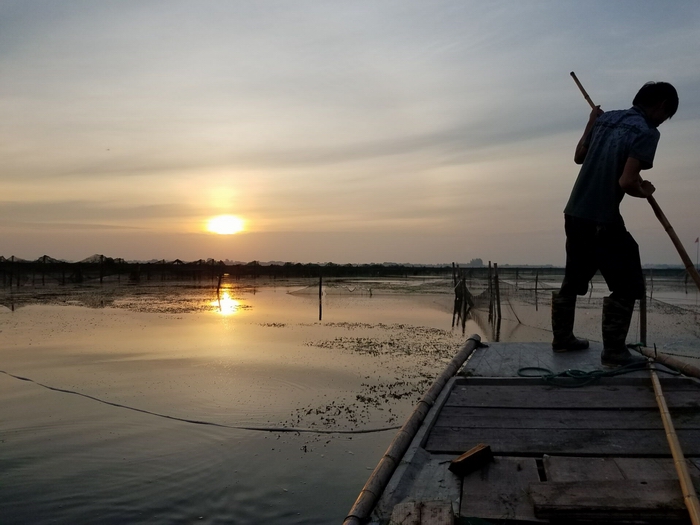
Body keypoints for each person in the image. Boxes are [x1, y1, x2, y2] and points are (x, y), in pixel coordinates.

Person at [552, 81, 679, 367]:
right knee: (628, 282)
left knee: (573, 279)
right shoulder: (647, 132)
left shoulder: (605, 119)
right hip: (602, 218)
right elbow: (627, 181)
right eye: (666, 114)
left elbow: (578, 157)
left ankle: (562, 340)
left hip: (574, 213)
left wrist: (591, 122)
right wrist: (644, 189)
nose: (663, 120)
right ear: (661, 106)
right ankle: (614, 351)